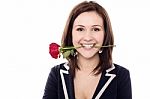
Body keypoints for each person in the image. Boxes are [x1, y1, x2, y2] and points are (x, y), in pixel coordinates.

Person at [43, 1, 132, 99]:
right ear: (70, 33)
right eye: (80, 29)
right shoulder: (57, 74)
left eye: (96, 29)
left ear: (105, 34)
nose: (88, 37)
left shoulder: (121, 75)